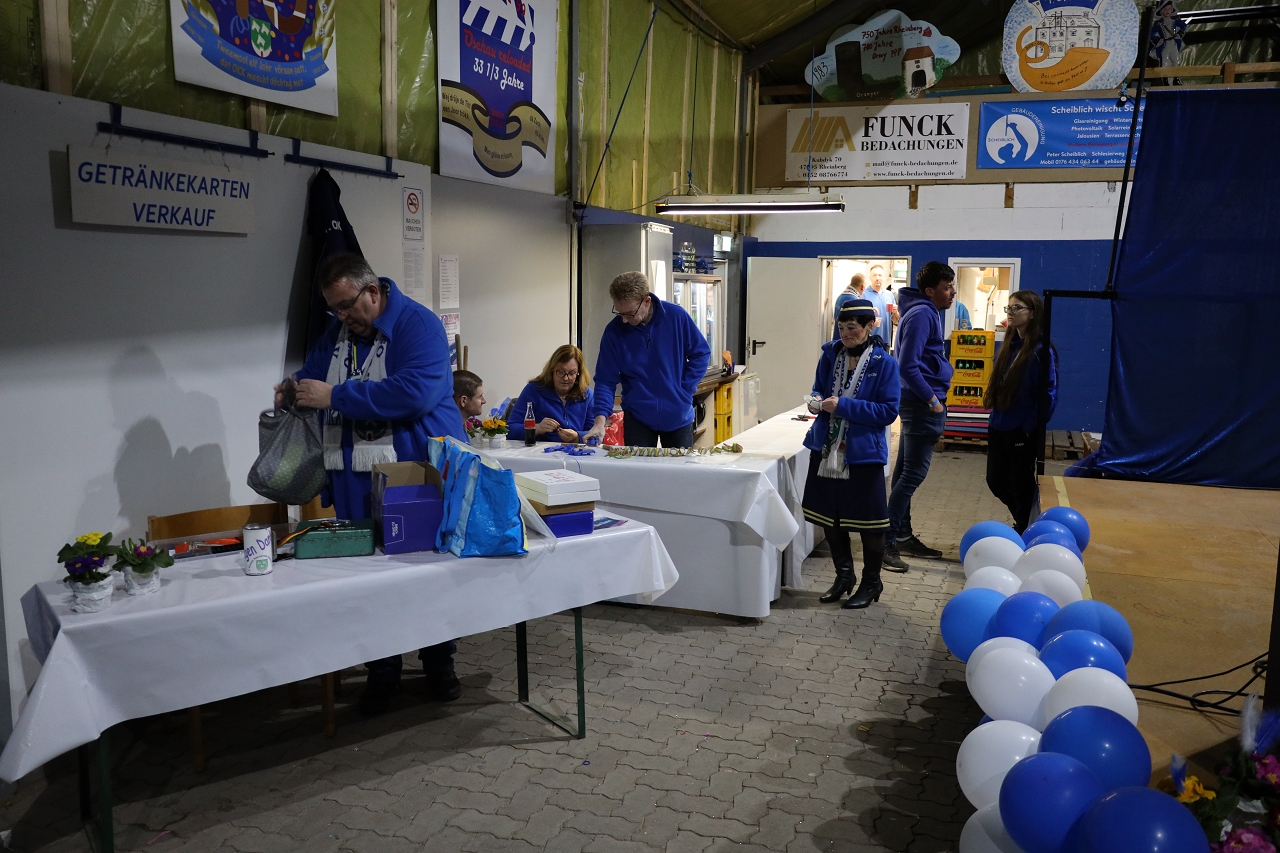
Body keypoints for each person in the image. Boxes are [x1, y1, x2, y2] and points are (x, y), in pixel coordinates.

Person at [280, 253, 468, 715]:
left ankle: (439, 664)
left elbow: (414, 393)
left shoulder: (418, 325)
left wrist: (335, 395)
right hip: (353, 479)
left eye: (347, 305)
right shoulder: (338, 333)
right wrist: (294, 389)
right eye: (334, 309)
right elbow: (315, 374)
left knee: (423, 575)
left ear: (373, 291)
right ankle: (382, 671)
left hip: (412, 475)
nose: (342, 317)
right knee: (367, 581)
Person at [801, 301, 900, 609]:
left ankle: (872, 582)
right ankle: (844, 576)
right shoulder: (830, 355)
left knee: (870, 524)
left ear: (870, 327)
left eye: (852, 328)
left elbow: (888, 411)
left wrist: (843, 406)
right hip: (827, 448)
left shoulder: (884, 363)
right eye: (841, 328)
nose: (845, 334)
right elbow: (819, 389)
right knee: (829, 518)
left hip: (862, 453)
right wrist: (815, 400)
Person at [583, 271, 711, 448]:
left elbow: (701, 353)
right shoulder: (614, 331)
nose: (624, 320)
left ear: (647, 301)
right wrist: (599, 421)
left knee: (680, 466)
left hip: (678, 416)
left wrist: (684, 388)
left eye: (630, 314)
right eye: (619, 313)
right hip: (637, 418)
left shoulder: (676, 317)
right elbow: (605, 380)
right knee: (638, 466)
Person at [884, 261, 956, 571]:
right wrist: (932, 400)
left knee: (904, 471)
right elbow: (907, 365)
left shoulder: (924, 312)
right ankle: (885, 542)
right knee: (912, 475)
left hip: (918, 403)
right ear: (930, 291)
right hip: (921, 405)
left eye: (952, 286)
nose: (952, 292)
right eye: (947, 287)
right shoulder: (923, 314)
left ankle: (901, 535)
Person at [984, 291, 1058, 533]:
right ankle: (1027, 522)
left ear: (1033, 313)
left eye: (1017, 308)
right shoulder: (1009, 345)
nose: (1011, 312)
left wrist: (1028, 426)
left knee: (1020, 485)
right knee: (995, 481)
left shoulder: (1041, 350)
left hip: (1021, 430)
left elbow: (1048, 394)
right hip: (999, 425)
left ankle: (1026, 528)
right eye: (1009, 308)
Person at [508, 345, 595, 443]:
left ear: (578, 374)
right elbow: (510, 429)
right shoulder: (534, 390)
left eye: (572, 373)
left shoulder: (586, 395)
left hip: (575, 451)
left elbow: (596, 434)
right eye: (560, 372)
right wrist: (537, 428)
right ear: (551, 370)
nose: (566, 378)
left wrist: (577, 437)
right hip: (540, 451)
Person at [832, 273, 867, 340]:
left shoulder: (840, 296)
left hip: (837, 337)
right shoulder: (854, 300)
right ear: (862, 287)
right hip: (847, 340)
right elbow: (857, 323)